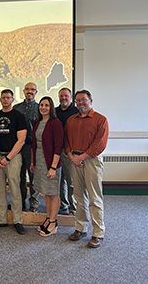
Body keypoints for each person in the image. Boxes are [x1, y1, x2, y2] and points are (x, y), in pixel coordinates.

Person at [65, 89, 109, 248]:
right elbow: (67, 141)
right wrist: (71, 157)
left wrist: (81, 157)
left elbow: (100, 144)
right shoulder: (71, 120)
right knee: (78, 196)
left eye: (83, 100)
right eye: (78, 101)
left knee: (94, 197)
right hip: (74, 160)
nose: (80, 103)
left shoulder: (100, 120)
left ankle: (98, 233)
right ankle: (81, 228)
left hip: (91, 161)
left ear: (91, 101)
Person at [0, 89, 27, 235]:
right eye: (3, 97)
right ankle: (1, 219)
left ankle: (17, 220)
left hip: (13, 158)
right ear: (0, 99)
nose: (5, 100)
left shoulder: (19, 116)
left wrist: (8, 158)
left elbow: (21, 140)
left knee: (15, 190)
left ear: (12, 99)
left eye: (8, 98)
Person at [31, 97, 64, 236]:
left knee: (53, 192)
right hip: (39, 161)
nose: (43, 107)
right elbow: (34, 144)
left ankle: (53, 221)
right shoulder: (37, 122)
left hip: (51, 162)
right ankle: (49, 217)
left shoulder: (55, 123)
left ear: (51, 107)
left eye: (47, 105)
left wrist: (53, 167)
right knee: (45, 191)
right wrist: (33, 162)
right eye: (42, 105)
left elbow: (58, 146)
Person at [13, 82, 39, 212]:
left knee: (33, 176)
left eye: (32, 89)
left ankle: (34, 204)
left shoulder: (40, 108)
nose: (30, 91)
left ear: (36, 92)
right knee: (19, 176)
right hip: (18, 147)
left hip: (32, 147)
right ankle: (20, 202)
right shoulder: (16, 108)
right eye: (27, 89)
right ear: (23, 91)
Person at [55, 87, 79, 216]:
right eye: (61, 96)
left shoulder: (76, 112)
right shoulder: (54, 112)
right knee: (59, 180)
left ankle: (73, 207)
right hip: (57, 151)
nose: (63, 98)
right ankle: (62, 205)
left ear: (71, 97)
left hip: (70, 151)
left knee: (71, 181)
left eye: (66, 96)